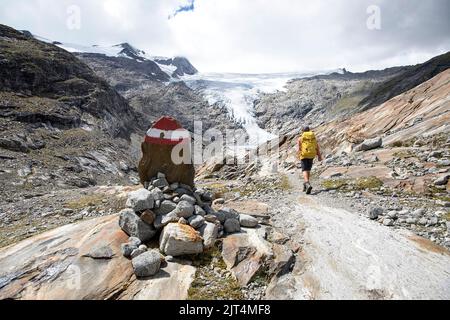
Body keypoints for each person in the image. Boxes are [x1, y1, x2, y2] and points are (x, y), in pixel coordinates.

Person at [297, 126, 323, 194]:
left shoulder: (300, 138)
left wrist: (299, 155)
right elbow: (317, 147)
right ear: (309, 130)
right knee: (308, 169)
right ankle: (305, 184)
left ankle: (307, 183)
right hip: (311, 155)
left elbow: (299, 148)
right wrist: (319, 156)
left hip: (304, 155)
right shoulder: (313, 138)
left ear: (302, 131)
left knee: (304, 170)